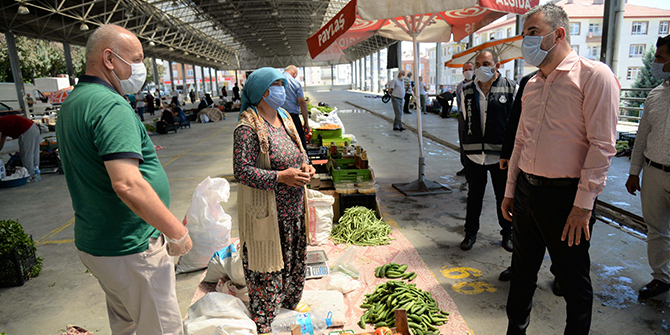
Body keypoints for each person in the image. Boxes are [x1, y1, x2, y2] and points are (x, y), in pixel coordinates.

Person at [55, 24, 192, 335]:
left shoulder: (75, 102)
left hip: (99, 243)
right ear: (109, 58)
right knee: (161, 329)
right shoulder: (110, 105)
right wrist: (176, 232)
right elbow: (127, 184)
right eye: (137, 58)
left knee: (128, 325)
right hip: (131, 247)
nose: (141, 68)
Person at [501, 5, 619, 334]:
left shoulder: (594, 76)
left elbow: (602, 145)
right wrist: (511, 191)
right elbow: (520, 142)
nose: (525, 41)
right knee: (522, 273)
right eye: (524, 34)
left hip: (567, 200)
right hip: (527, 192)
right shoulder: (532, 85)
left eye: (533, 33)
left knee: (572, 281)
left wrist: (583, 206)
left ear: (559, 34)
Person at [232, 67, 315, 333]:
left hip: (293, 210)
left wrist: (307, 166)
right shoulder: (247, 128)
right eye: (276, 85)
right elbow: (241, 171)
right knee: (266, 271)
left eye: (282, 84)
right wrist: (281, 177)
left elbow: (300, 152)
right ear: (262, 92)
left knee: (293, 265)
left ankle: (288, 312)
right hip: (267, 215)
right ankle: (266, 321)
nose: (282, 89)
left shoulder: (285, 118)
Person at [625, 34, 670, 300]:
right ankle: (661, 278)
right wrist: (633, 172)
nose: (656, 63)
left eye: (661, 58)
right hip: (653, 172)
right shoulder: (655, 95)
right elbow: (642, 136)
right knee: (656, 229)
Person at [459, 49, 516, 252]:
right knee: (474, 196)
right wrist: (464, 155)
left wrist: (511, 154)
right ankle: (470, 233)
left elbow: (515, 124)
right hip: (474, 155)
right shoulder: (466, 91)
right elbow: (464, 123)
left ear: (496, 66)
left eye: (485, 63)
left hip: (501, 157)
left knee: (504, 197)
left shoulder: (510, 89)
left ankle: (508, 234)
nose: (480, 67)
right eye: (478, 64)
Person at [0, 115, 40, 181]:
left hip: (26, 130)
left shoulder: (1, 123)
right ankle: (35, 173)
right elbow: (2, 140)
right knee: (34, 153)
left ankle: (29, 175)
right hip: (33, 127)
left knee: (26, 154)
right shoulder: (3, 124)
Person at [282, 65, 310, 150]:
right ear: (294, 73)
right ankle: (304, 161)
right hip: (292, 117)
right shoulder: (295, 83)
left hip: (277, 117)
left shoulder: (276, 81)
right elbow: (302, 104)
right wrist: (306, 123)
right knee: (300, 143)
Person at [456, 62, 475, 177]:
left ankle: (473, 166)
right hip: (463, 116)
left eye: (470, 69)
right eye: (465, 69)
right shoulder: (459, 86)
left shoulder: (478, 84)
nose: (468, 71)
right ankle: (465, 166)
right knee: (463, 141)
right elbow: (458, 101)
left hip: (474, 116)